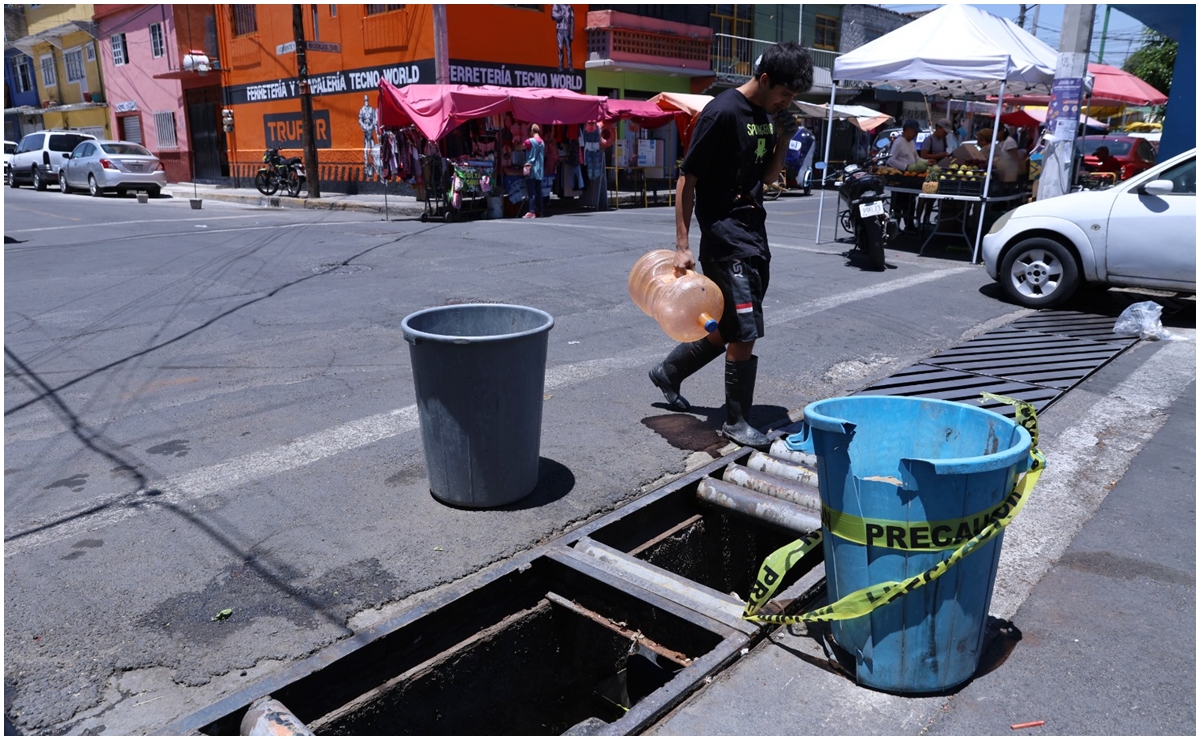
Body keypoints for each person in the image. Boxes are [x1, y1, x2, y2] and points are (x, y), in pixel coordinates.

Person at [648, 42, 813, 449]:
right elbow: (688, 179)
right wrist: (683, 244)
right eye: (785, 95)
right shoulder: (721, 112)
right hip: (724, 237)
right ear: (765, 79)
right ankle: (736, 422)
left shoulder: (764, 115)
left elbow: (770, 177)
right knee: (745, 331)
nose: (787, 102)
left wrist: (781, 140)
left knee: (728, 328)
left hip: (754, 234)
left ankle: (668, 373)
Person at [887, 119, 921, 231]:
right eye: (914, 132)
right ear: (908, 130)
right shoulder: (898, 142)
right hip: (900, 177)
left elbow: (916, 158)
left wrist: (925, 163)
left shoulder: (911, 143)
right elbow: (890, 160)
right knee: (898, 204)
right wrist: (905, 166)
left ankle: (909, 226)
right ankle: (895, 228)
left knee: (910, 203)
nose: (915, 135)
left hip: (910, 177)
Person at [520, 123, 545, 218]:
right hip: (540, 169)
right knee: (539, 191)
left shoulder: (529, 141)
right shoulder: (542, 142)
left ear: (531, 130)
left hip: (531, 169)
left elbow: (520, 147)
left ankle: (531, 211)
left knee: (531, 192)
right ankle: (541, 211)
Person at [358, 95, 377, 178]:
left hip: (370, 130)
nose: (366, 102)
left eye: (367, 100)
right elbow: (360, 120)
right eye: (365, 100)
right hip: (366, 132)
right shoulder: (362, 110)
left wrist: (371, 127)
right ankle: (366, 166)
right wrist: (364, 126)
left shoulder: (371, 109)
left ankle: (375, 166)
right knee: (366, 150)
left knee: (373, 148)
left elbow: (374, 119)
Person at [551, 4, 574, 72]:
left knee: (568, 49)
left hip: (567, 30)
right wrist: (561, 15)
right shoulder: (557, 5)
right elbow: (553, 15)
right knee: (560, 47)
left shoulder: (569, 7)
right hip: (560, 30)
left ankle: (570, 66)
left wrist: (572, 33)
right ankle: (561, 66)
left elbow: (572, 21)